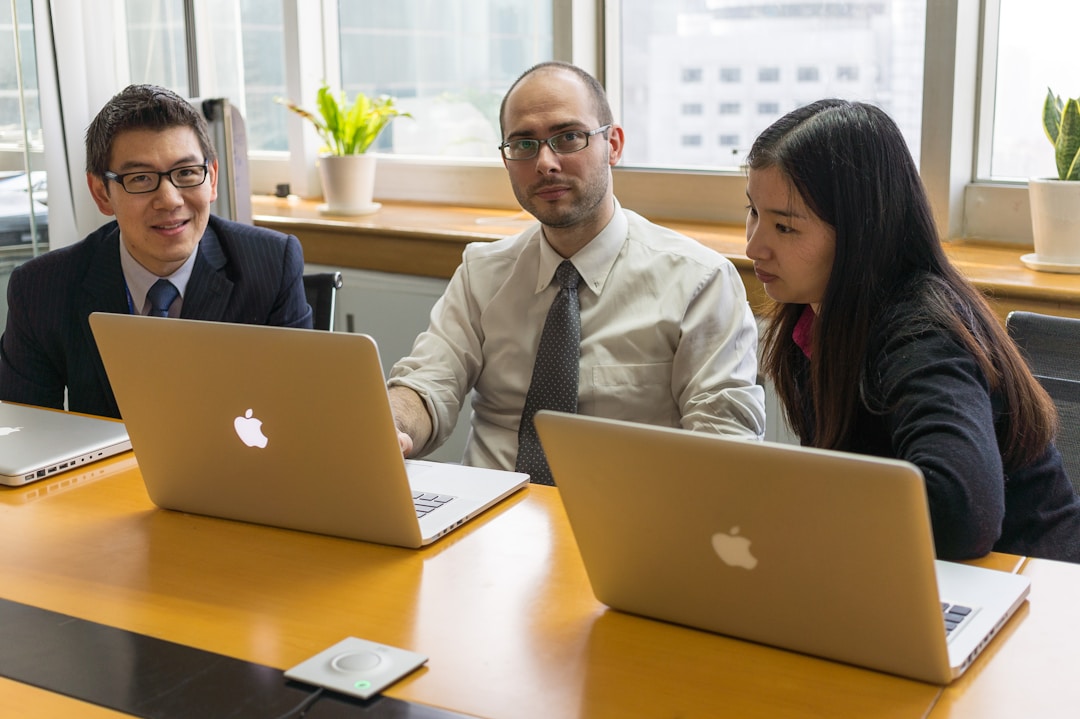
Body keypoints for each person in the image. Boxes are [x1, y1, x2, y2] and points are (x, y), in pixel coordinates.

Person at [388, 61, 765, 484]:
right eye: (524, 144)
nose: (545, 162)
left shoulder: (699, 281)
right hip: (487, 520)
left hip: (622, 528)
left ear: (614, 145)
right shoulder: (482, 273)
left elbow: (723, 445)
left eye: (568, 137)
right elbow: (426, 384)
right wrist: (393, 427)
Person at [744, 98, 1080, 562]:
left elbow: (962, 514)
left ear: (861, 232)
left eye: (784, 227)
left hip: (1030, 585)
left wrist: (803, 507)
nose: (753, 245)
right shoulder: (812, 320)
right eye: (754, 213)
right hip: (918, 572)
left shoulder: (923, 333)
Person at [0, 84, 312, 419]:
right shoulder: (41, 288)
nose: (170, 200)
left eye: (187, 173)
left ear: (213, 178)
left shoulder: (271, 264)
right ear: (101, 193)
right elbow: (24, 433)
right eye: (140, 178)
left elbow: (298, 417)